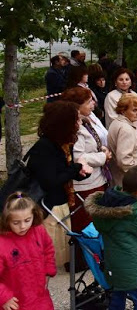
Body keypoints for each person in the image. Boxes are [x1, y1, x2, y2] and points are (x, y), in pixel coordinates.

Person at [28, 101, 93, 267]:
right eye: (76, 120)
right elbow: (50, 181)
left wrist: (79, 174)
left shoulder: (61, 144)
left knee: (56, 259)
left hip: (60, 205)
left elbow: (62, 173)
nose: (79, 123)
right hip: (48, 210)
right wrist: (75, 169)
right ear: (64, 123)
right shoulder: (44, 147)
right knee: (46, 261)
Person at [85, 166, 137, 310]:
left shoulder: (107, 203)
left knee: (117, 296)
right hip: (132, 268)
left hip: (113, 265)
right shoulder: (133, 214)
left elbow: (122, 196)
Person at [61, 88, 111, 232]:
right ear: (77, 106)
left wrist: (102, 149)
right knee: (88, 226)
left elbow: (92, 145)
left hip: (97, 179)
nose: (93, 104)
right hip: (86, 184)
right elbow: (78, 157)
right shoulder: (75, 128)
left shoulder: (86, 121)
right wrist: (103, 156)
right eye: (88, 102)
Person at [0, 192, 56, 309]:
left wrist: (48, 269)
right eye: (16, 222)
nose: (23, 226)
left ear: (34, 216)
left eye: (27, 220)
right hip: (15, 301)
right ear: (6, 220)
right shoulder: (2, 242)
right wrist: (3, 297)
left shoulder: (39, 230)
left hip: (40, 296)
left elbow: (48, 248)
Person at [107, 93, 137, 187]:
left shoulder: (119, 123)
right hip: (134, 185)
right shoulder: (125, 129)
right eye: (134, 110)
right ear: (123, 111)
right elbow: (125, 161)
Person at [104, 68, 137, 136]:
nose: (124, 82)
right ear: (115, 82)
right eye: (121, 80)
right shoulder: (111, 96)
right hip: (122, 134)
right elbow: (113, 118)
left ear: (131, 82)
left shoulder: (136, 95)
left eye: (127, 79)